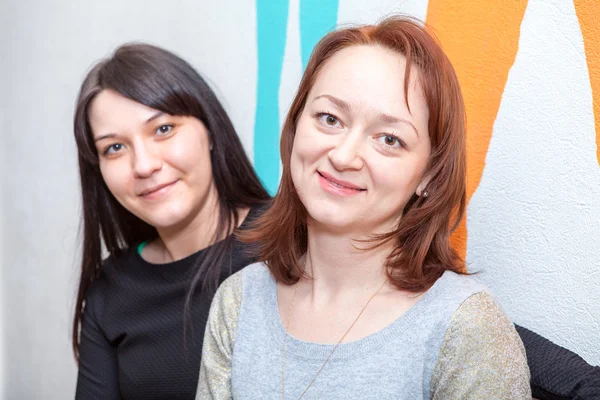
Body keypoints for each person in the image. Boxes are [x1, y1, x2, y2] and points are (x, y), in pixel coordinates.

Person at [197, 16, 531, 399]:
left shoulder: (466, 328)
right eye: (329, 118)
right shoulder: (239, 301)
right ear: (294, 129)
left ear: (428, 175)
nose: (343, 155)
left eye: (389, 139)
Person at [72, 43, 270, 399]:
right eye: (114, 148)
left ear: (209, 129)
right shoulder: (111, 291)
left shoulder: (290, 240)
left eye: (163, 129)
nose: (144, 165)